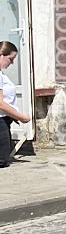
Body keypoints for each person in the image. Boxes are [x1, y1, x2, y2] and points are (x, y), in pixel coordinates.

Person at [0, 41, 32, 170]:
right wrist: (20, 117)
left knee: (4, 158)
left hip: (4, 119)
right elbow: (1, 104)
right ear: (1, 54)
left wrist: (12, 115)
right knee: (2, 159)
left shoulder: (1, 74)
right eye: (10, 59)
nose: (12, 63)